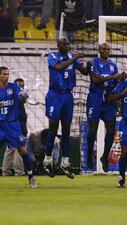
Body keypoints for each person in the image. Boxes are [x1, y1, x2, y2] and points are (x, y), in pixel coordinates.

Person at [0, 66, 37, 189]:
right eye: (4, 74)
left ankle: (31, 177)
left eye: (7, 74)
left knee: (22, 150)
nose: (6, 76)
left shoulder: (13, 87)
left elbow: (24, 93)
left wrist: (24, 96)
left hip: (12, 124)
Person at [43, 37, 89, 178]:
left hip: (68, 96)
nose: (67, 46)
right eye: (64, 44)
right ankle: (48, 161)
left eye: (68, 43)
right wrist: (75, 58)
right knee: (53, 128)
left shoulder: (71, 57)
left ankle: (65, 164)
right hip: (54, 95)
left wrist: (89, 65)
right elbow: (59, 67)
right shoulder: (53, 56)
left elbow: (84, 72)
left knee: (67, 130)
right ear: (58, 45)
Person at [86, 42, 127, 172]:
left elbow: (114, 83)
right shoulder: (94, 62)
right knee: (92, 130)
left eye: (108, 49)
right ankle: (88, 155)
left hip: (108, 100)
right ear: (99, 50)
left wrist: (121, 79)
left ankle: (104, 157)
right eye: (103, 49)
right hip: (95, 98)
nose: (105, 51)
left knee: (111, 130)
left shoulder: (113, 65)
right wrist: (115, 76)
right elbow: (97, 80)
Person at [1, 78, 27, 176]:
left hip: (12, 125)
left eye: (22, 86)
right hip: (17, 126)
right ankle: (19, 171)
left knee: (10, 149)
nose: (21, 88)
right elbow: (23, 99)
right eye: (19, 86)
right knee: (19, 148)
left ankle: (5, 171)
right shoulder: (16, 97)